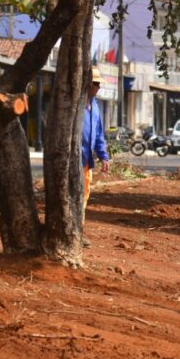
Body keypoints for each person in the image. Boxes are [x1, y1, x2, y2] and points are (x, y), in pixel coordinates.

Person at [81, 67, 110, 246]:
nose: (98, 88)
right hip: (74, 160)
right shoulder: (76, 106)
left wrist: (103, 156)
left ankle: (78, 229)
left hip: (86, 161)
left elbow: (98, 134)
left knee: (84, 195)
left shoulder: (96, 107)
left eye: (99, 84)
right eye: (95, 84)